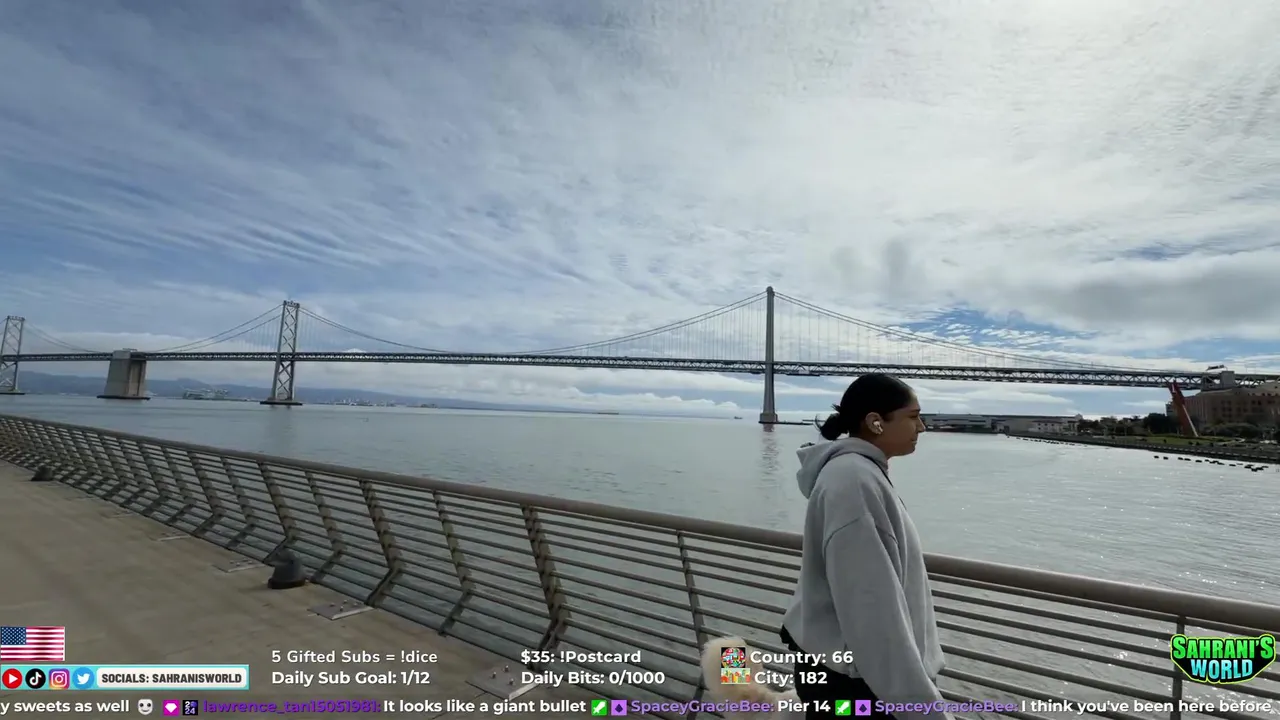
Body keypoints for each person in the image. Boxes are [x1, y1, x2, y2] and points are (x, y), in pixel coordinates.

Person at [779, 373, 947, 720]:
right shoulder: (854, 482)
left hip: (844, 673)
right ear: (875, 422)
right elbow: (872, 610)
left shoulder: (857, 473)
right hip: (853, 688)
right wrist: (923, 709)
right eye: (913, 416)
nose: (922, 427)